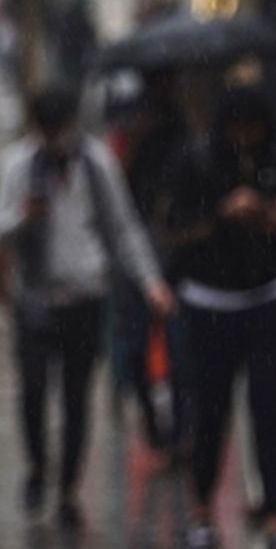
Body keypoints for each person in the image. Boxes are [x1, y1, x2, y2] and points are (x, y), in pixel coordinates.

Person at [0, 85, 174, 528]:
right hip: (35, 297)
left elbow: (123, 226)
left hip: (85, 298)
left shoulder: (96, 165)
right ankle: (37, 466)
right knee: (34, 392)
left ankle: (69, 488)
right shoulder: (19, 165)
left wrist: (151, 281)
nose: (55, 139)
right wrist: (23, 216)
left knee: (77, 397)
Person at [167, 86, 276, 549]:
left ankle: (275, 512)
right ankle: (201, 509)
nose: (245, 138)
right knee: (210, 408)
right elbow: (174, 229)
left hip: (268, 298)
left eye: (254, 129)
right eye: (238, 129)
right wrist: (223, 214)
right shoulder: (196, 163)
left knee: (268, 407)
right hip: (210, 300)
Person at [107, 72, 189, 457]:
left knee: (178, 349)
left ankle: (179, 431)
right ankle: (155, 425)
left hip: (173, 257)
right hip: (136, 258)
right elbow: (117, 199)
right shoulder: (129, 137)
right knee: (136, 347)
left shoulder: (185, 136)